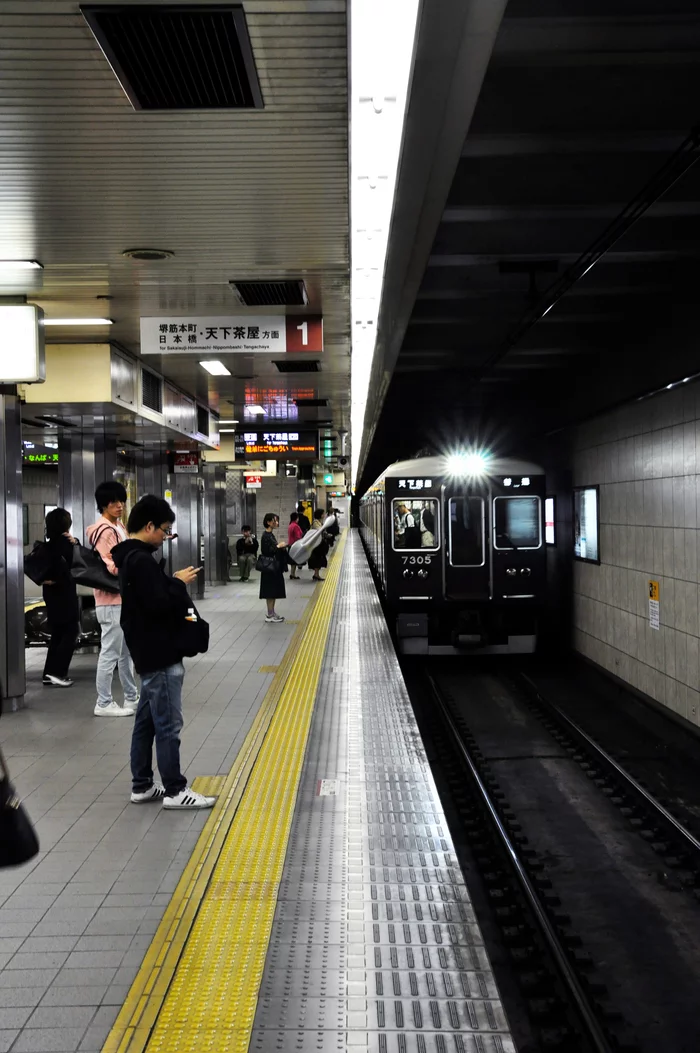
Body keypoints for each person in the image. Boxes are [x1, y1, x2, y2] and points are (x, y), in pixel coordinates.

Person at [112, 495, 215, 810]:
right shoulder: (141, 560)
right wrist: (177, 583)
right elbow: (157, 604)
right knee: (168, 723)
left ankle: (142, 785)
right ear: (149, 526)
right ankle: (175, 790)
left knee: (146, 721)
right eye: (164, 530)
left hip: (147, 651)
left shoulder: (129, 557)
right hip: (159, 652)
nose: (165, 537)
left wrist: (169, 582)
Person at [86, 481, 139, 717]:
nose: (119, 505)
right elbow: (114, 565)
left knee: (126, 652)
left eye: (121, 501)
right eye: (113, 502)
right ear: (103, 505)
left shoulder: (118, 526)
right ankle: (104, 702)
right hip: (110, 600)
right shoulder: (105, 530)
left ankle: (131, 697)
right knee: (110, 652)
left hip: (122, 598)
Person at [41, 508, 79, 688]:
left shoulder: (51, 543)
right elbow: (76, 563)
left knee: (58, 633)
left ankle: (48, 673)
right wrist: (76, 544)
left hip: (51, 592)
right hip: (64, 591)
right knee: (70, 631)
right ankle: (57, 673)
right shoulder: (66, 543)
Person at [259, 513, 287, 622]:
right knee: (270, 590)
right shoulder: (266, 536)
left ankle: (271, 612)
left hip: (271, 567)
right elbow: (267, 551)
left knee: (272, 590)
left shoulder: (270, 535)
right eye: (274, 521)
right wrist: (278, 546)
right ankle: (270, 614)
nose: (277, 523)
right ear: (268, 522)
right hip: (269, 567)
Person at [307, 508, 329, 582]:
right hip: (316, 545)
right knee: (317, 559)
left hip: (319, 544)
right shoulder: (316, 522)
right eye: (323, 513)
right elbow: (319, 530)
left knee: (319, 559)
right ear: (320, 515)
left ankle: (316, 574)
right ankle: (316, 575)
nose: (324, 515)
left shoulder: (319, 522)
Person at [288, 512, 303, 579]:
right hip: (295, 545)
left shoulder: (290, 525)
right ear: (296, 518)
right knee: (294, 561)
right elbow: (298, 536)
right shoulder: (296, 526)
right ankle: (292, 574)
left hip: (290, 545)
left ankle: (292, 574)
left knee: (292, 561)